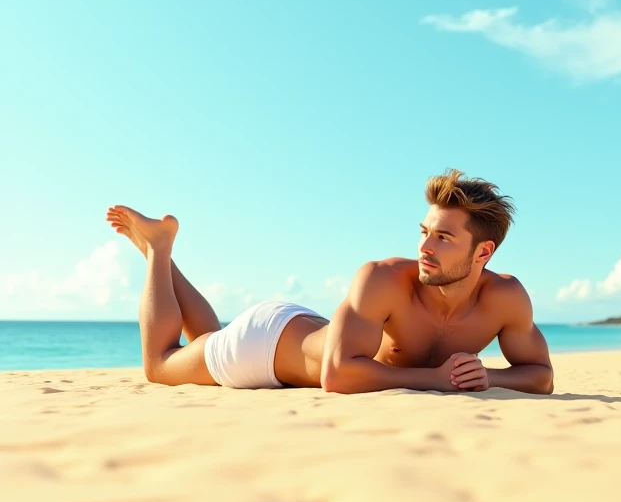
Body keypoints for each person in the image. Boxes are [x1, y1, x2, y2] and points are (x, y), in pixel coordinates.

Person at [105, 169, 553, 396]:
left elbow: (542, 376)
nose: (425, 247)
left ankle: (158, 251)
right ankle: (159, 252)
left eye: (443, 237)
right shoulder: (383, 279)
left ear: (483, 252)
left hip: (309, 329)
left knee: (204, 339)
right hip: (264, 348)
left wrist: (490, 376)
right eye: (424, 232)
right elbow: (336, 376)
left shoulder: (506, 298)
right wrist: (437, 381)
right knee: (161, 366)